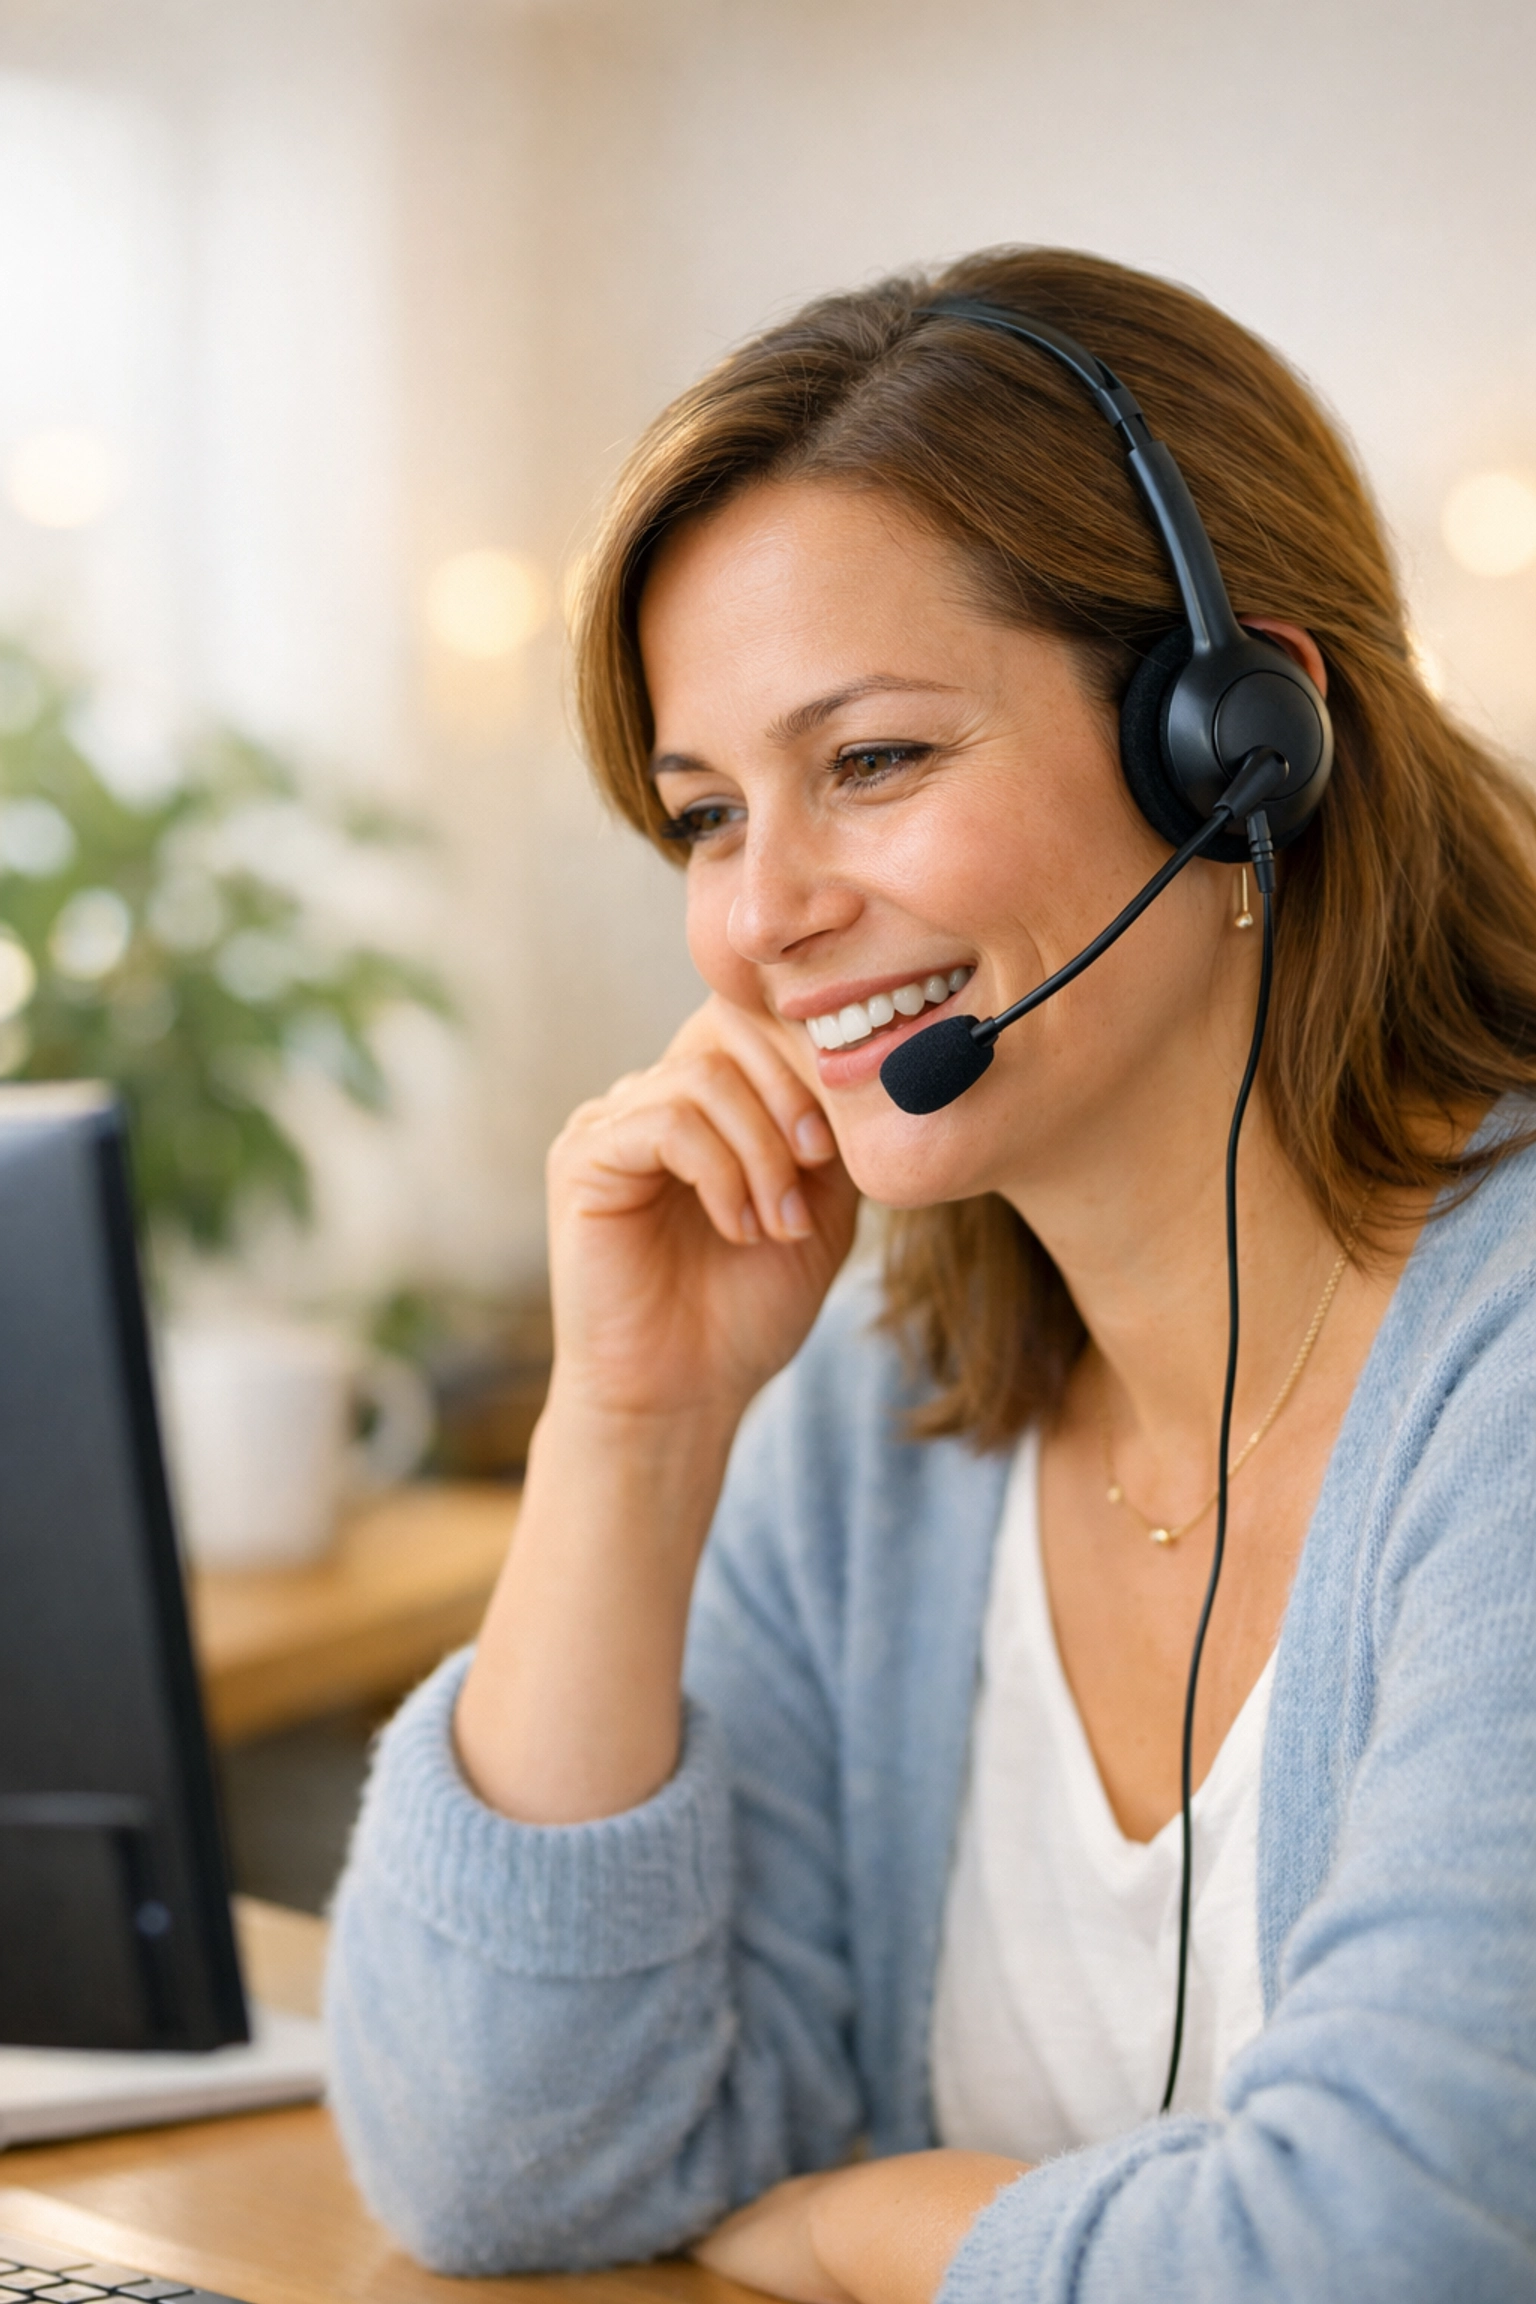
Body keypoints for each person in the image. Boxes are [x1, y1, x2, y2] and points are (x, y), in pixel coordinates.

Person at [325, 248, 1536, 2302]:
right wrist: (634, 1436)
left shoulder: (1496, 1388)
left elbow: (1382, 2247)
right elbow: (494, 2160)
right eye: (708, 814)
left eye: (871, 762)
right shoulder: (878, 1423)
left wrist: (863, 2225)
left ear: (1237, 746)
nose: (767, 915)